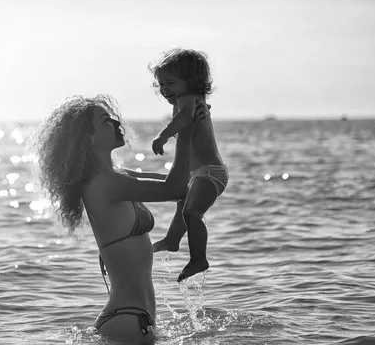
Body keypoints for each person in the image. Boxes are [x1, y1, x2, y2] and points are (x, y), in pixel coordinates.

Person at [34, 94, 209, 344]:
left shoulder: (117, 177)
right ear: (88, 138)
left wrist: (195, 128)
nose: (117, 124)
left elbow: (186, 185)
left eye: (114, 118)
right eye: (106, 121)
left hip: (135, 319)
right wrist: (185, 132)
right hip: (127, 320)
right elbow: (174, 189)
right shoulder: (106, 184)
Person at [149, 48, 229, 282]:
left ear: (191, 81)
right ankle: (173, 240)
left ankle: (199, 259)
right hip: (198, 173)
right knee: (182, 204)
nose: (164, 90)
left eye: (170, 83)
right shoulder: (193, 100)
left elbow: (183, 118)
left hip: (210, 173)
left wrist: (163, 135)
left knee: (191, 212)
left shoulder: (187, 100)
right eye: (161, 84)